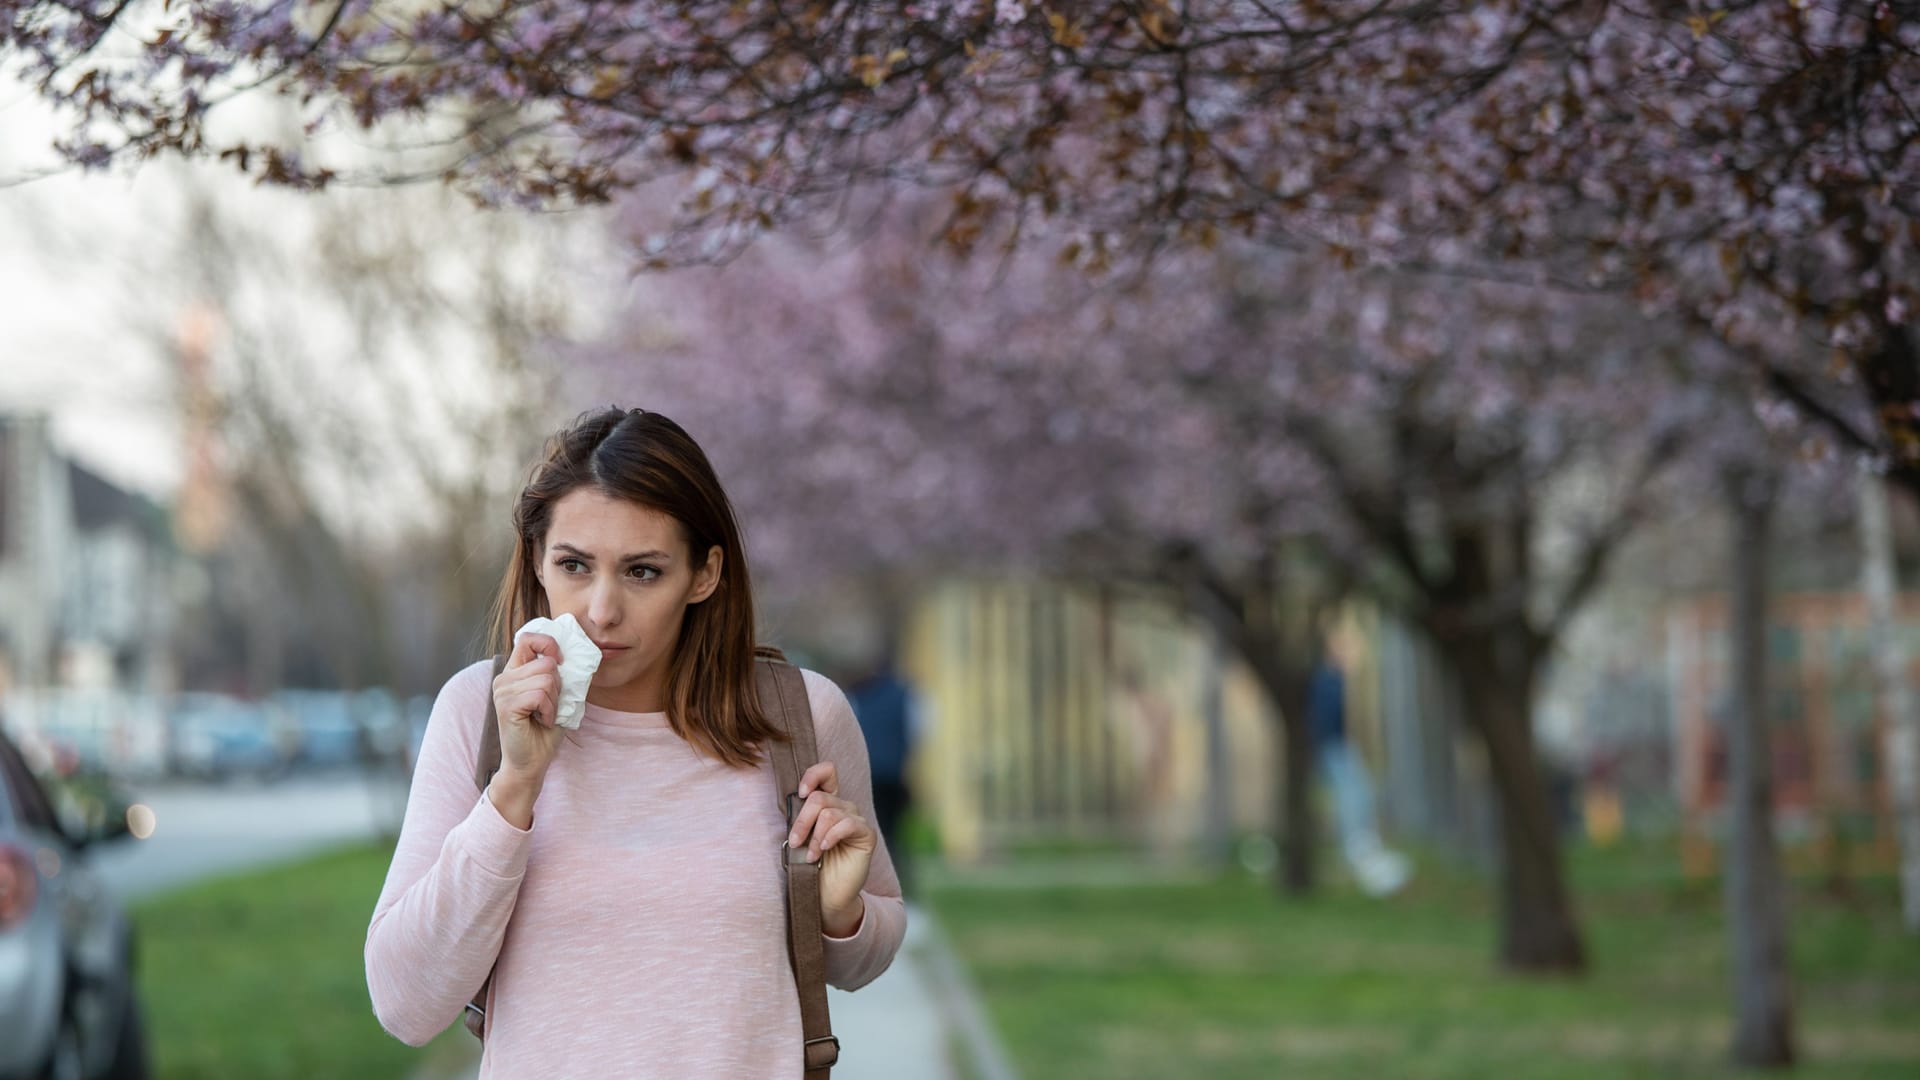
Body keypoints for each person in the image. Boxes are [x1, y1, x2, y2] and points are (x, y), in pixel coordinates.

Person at [366, 407, 905, 1077]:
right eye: (574, 565)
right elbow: (404, 1004)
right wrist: (514, 788)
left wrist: (838, 909)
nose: (600, 610)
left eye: (643, 571)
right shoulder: (477, 710)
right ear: (538, 561)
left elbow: (865, 961)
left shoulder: (801, 716)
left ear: (705, 575)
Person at [1308, 624, 1411, 897]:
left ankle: (1360, 845)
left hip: (1339, 746)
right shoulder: (1327, 680)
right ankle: (1356, 847)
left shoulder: (1337, 679)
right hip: (1333, 747)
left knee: (1361, 792)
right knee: (1353, 794)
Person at [842, 655, 919, 894]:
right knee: (891, 835)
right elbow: (916, 730)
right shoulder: (903, 694)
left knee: (872, 831)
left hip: (868, 775)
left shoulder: (856, 695)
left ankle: (873, 885)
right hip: (892, 774)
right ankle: (895, 884)